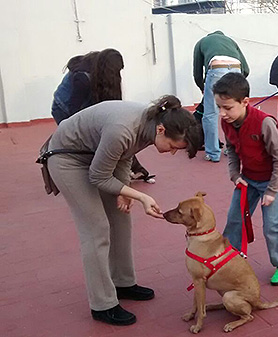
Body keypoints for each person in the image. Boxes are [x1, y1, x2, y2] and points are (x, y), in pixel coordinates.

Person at [46, 95, 200, 326]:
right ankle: (102, 304)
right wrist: (139, 195)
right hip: (67, 158)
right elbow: (98, 176)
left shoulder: (151, 125)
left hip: (95, 155)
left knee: (121, 218)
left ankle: (123, 282)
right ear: (161, 130)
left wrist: (125, 189)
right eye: (172, 147)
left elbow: (126, 155)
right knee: (96, 228)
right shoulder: (123, 128)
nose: (172, 153)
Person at [214, 72, 278, 286]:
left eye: (228, 107)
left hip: (272, 180)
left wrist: (271, 190)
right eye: (219, 107)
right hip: (248, 179)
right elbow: (231, 149)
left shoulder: (263, 123)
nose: (222, 113)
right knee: (234, 219)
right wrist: (235, 175)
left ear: (245, 102)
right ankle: (229, 260)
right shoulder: (228, 122)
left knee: (272, 224)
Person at [50, 48, 154, 183]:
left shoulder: (102, 75)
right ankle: (84, 175)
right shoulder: (82, 79)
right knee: (84, 141)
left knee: (106, 134)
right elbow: (73, 112)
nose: (118, 76)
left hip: (85, 103)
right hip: (64, 108)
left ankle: (127, 170)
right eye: (117, 72)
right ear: (109, 71)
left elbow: (118, 128)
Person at [193, 31, 250, 163]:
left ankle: (213, 154)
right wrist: (238, 85)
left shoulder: (201, 42)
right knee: (235, 111)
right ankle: (234, 148)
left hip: (216, 68)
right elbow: (246, 69)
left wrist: (202, 87)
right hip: (236, 68)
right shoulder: (230, 41)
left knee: (210, 113)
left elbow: (197, 72)